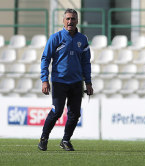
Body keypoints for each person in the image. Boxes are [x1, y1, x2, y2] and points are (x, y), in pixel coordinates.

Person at [38, 8, 93, 151]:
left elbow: (86, 62)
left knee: (75, 114)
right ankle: (44, 138)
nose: (70, 21)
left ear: (77, 21)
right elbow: (45, 59)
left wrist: (88, 82)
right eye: (68, 19)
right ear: (63, 21)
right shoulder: (55, 38)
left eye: (73, 19)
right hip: (59, 81)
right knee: (56, 111)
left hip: (76, 83)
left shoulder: (83, 39)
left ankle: (66, 140)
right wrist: (45, 80)